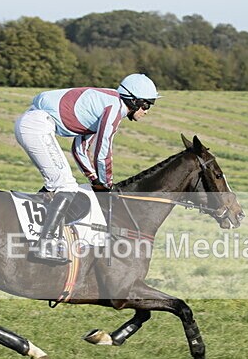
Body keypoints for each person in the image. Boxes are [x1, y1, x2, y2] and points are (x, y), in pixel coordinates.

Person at [15, 73, 160, 263]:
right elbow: (103, 150)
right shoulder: (114, 108)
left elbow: (80, 148)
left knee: (59, 184)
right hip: (37, 125)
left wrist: (94, 179)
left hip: (33, 123)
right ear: (134, 101)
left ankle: (32, 229)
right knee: (65, 185)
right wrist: (107, 184)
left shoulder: (107, 104)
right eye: (146, 105)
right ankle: (45, 245)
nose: (146, 111)